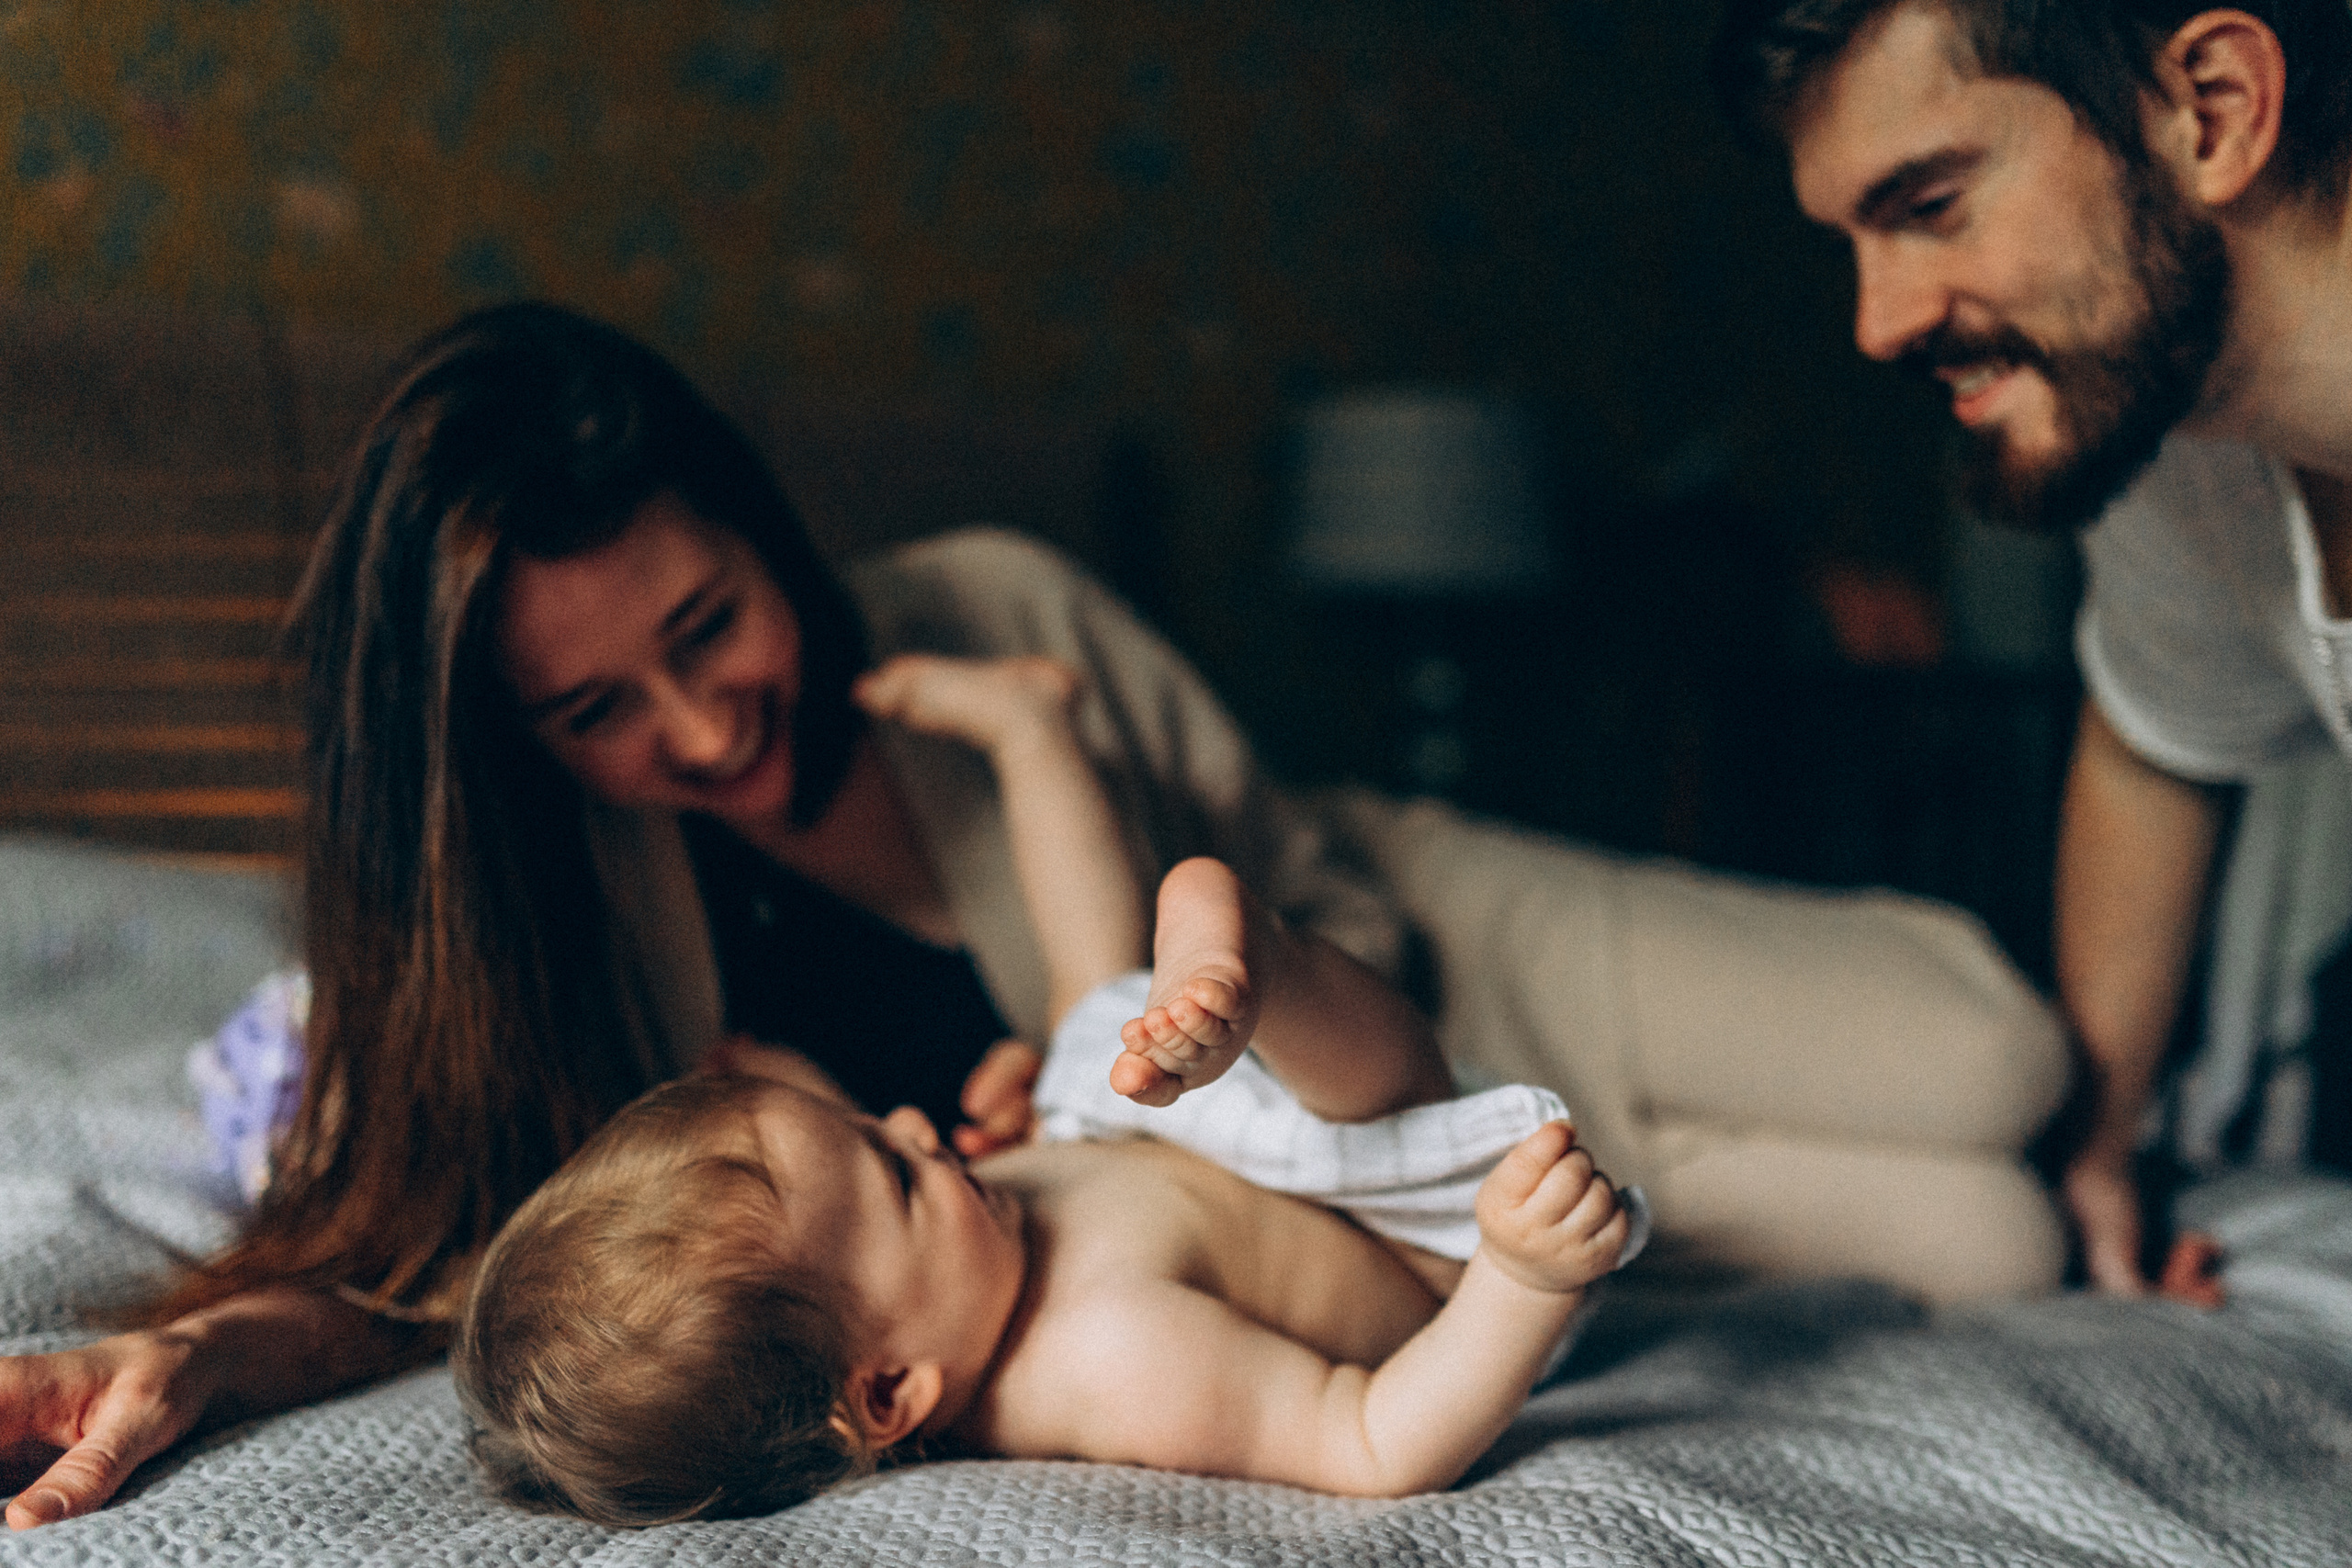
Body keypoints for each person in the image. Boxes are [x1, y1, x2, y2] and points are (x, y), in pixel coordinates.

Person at [0, 299, 2058, 1533]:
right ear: (508, 744)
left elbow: (1265, 917)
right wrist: (206, 1349)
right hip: (1391, 1189)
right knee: (1996, 1238)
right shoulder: (562, 955)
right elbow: (445, 1269)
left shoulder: (981, 607)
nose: (703, 725)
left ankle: (2090, 1126)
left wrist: (1223, 1009)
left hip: (1375, 967)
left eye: (711, 625)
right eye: (598, 709)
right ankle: (2019, 1192)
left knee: (2004, 1060)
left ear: (761, 530)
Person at [456, 653, 1634, 1520]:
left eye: (871, 1125)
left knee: (1089, 1015)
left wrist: (1001, 1125)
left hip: (1175, 1139)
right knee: (1351, 1093)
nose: (913, 1124)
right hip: (1412, 1237)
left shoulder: (957, 1270)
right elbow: (1365, 1443)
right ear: (888, 1393)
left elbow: (880, 1194)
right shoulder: (1103, 1364)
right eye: (896, 1173)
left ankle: (1032, 734)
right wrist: (1520, 1279)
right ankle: (1259, 963)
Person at [1713, 0, 2352, 1296]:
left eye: (1930, 204)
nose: (1878, 324)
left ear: (2213, 111)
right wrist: (2099, 1150)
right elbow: (2155, 740)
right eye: (1852, 242)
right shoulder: (2187, 444)